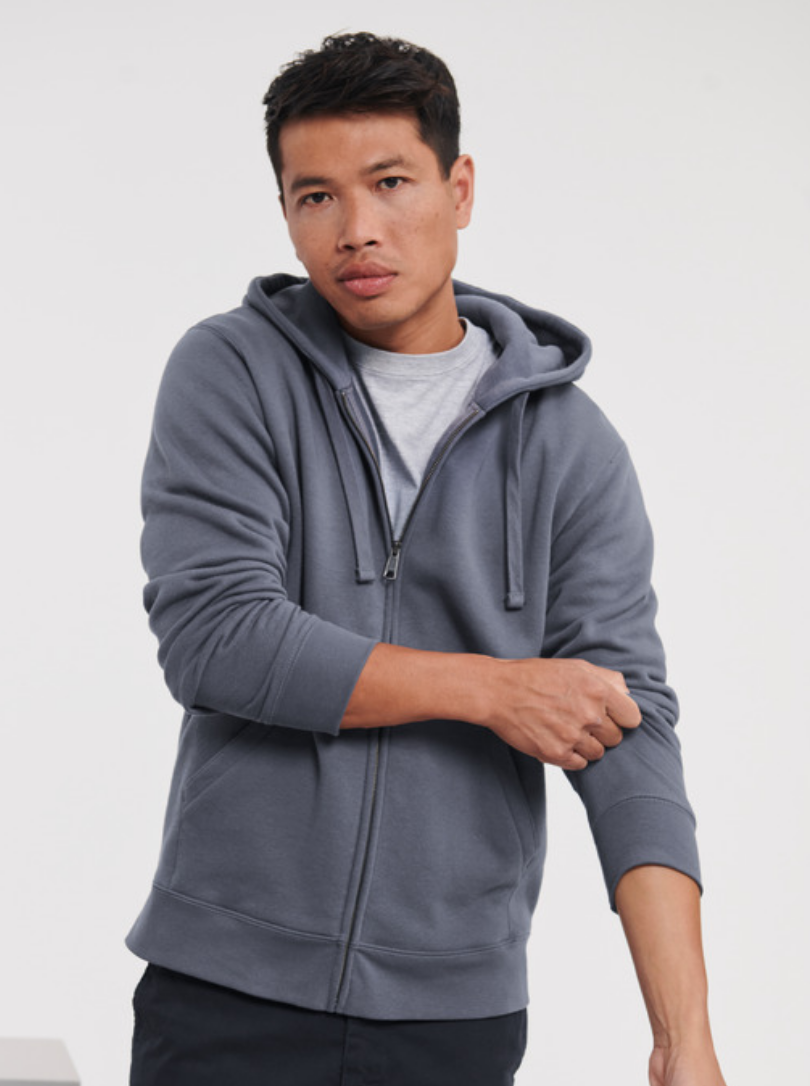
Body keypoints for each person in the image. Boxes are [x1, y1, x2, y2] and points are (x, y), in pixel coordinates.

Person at [127, 32, 726, 1086]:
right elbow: (218, 638)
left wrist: (684, 1039)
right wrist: (493, 690)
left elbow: (629, 730)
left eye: (390, 182)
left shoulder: (569, 446)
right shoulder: (233, 370)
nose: (356, 229)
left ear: (460, 189)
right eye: (316, 196)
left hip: (455, 1015)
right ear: (285, 212)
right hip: (227, 987)